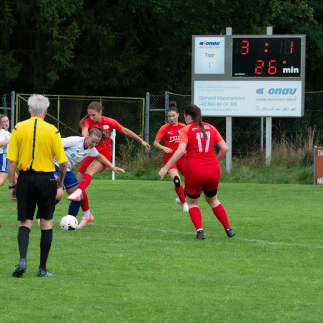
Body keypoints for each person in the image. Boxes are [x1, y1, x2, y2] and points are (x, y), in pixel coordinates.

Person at [7, 94, 67, 278]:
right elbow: (63, 163)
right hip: (46, 179)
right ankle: (42, 268)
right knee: (46, 223)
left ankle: (23, 259)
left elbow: (11, 161)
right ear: (46, 111)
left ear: (29, 110)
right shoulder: (52, 130)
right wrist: (60, 181)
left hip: (25, 179)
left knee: (26, 222)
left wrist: (12, 185)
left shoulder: (18, 128)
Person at [158, 104, 235, 240]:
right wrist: (215, 162)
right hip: (212, 169)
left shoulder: (186, 130)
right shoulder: (211, 128)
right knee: (213, 200)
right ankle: (228, 229)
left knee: (193, 202)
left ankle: (200, 231)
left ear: (188, 116)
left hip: (194, 169)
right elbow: (225, 148)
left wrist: (165, 168)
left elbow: (181, 150)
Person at [74, 101, 151, 228]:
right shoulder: (87, 121)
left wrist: (141, 140)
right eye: (89, 115)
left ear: (100, 113)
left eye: (93, 115)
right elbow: (84, 130)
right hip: (90, 153)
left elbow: (125, 130)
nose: (91, 117)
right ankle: (87, 215)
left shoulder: (109, 122)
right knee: (77, 185)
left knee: (88, 174)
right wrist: (85, 135)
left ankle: (79, 199)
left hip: (103, 156)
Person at [55, 127, 125, 222]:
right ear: (87, 136)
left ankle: (70, 222)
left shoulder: (91, 149)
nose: (94, 144)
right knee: (58, 194)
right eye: (92, 141)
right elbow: (55, 143)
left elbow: (100, 157)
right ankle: (44, 215)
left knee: (79, 198)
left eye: (97, 143)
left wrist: (112, 167)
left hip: (66, 170)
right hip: (54, 166)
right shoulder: (75, 141)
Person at [153, 102, 189, 212]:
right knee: (177, 181)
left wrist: (188, 149)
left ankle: (181, 196)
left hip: (183, 158)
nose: (171, 118)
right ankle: (184, 204)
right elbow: (156, 143)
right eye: (169, 116)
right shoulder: (164, 128)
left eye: (173, 116)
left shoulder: (184, 127)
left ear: (178, 115)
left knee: (191, 181)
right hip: (170, 159)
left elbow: (190, 141)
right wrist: (163, 148)